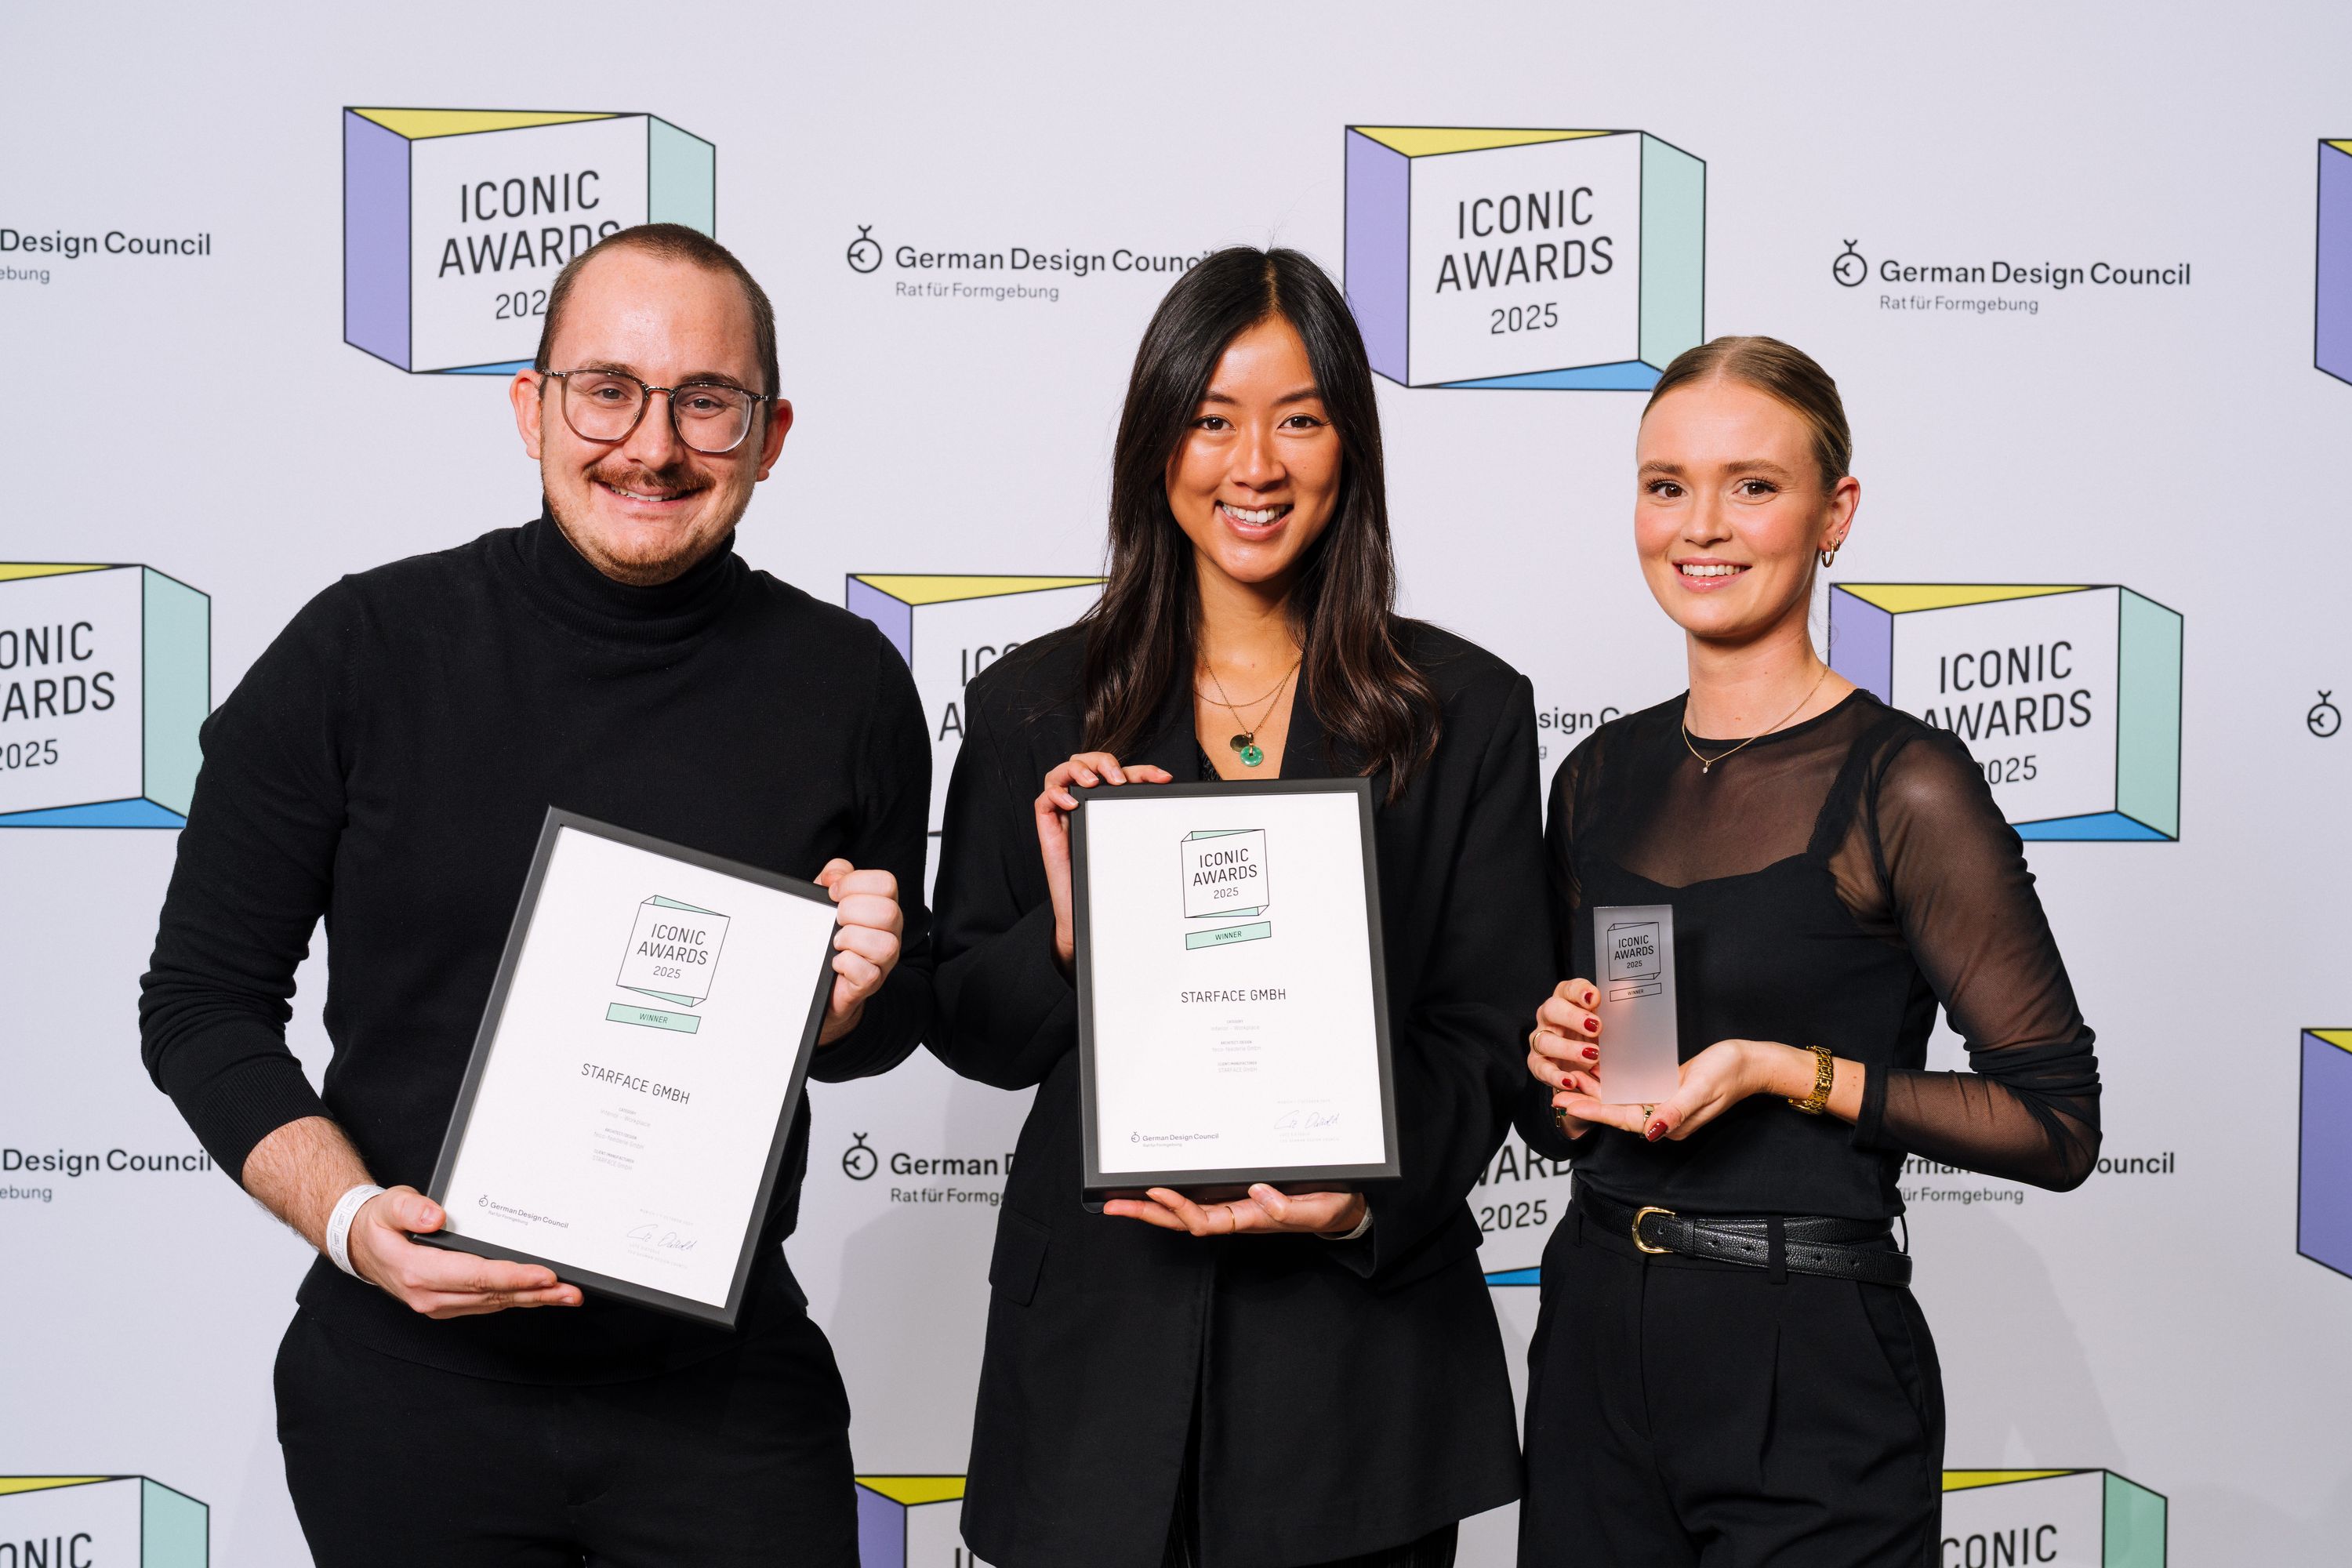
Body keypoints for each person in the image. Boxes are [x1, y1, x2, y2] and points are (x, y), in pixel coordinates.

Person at [138, 223, 929, 1568]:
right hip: (408, 1394)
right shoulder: (360, 652)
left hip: (724, 1405)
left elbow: (889, 1025)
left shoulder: (847, 682)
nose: (652, 445)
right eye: (606, 389)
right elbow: (201, 1004)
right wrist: (348, 1222)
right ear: (531, 406)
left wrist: (855, 1002)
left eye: (707, 403)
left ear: (772, 432)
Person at [927, 246, 1550, 1568]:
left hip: (1358, 1377)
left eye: (1300, 418)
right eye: (1212, 418)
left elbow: (1488, 1033)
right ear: (1157, 438)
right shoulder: (1036, 704)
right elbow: (973, 1024)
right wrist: (1068, 940)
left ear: (1350, 445)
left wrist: (1357, 1201)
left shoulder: (1466, 711)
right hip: (1096, 1364)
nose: (1253, 464)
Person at [1515, 336, 2103, 1566]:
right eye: (1666, 483)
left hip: (1810, 1359)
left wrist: (1790, 1071)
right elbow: (1571, 1107)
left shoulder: (1909, 784)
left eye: (1754, 484)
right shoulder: (1597, 778)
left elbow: (2056, 1125)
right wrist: (1559, 1072)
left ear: (1835, 514)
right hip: (1593, 1346)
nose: (1701, 525)